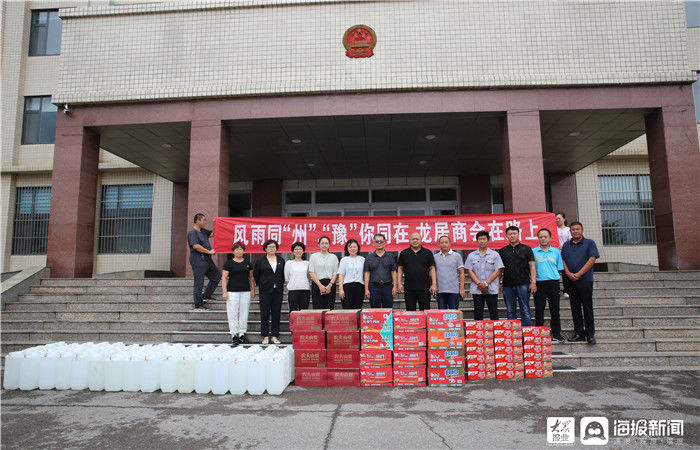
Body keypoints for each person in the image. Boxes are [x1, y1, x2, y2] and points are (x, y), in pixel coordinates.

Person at [561, 221, 599, 345]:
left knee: (587, 307)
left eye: (577, 229)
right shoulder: (566, 245)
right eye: (573, 230)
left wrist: (579, 273)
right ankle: (578, 333)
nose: (575, 231)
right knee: (575, 308)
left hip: (585, 280)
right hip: (570, 281)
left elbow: (592, 259)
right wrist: (568, 273)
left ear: (582, 230)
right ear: (570, 232)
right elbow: (563, 260)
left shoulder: (589, 243)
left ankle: (590, 334)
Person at [498, 226, 536, 326]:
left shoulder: (526, 249)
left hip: (523, 283)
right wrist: (498, 283)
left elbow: (532, 266)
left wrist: (533, 282)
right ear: (507, 236)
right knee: (510, 311)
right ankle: (513, 335)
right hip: (507, 285)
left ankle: (526, 334)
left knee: (525, 309)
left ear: (519, 234)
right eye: (510, 234)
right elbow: (500, 269)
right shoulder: (502, 251)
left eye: (514, 233)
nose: (512, 236)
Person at [533, 229, 565, 343]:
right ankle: (540, 334)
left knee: (555, 309)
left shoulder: (556, 252)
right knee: (539, 309)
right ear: (538, 238)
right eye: (541, 237)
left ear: (550, 238)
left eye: (545, 236)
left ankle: (557, 334)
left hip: (553, 283)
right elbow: (531, 269)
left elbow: (559, 268)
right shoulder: (533, 252)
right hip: (539, 283)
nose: (543, 239)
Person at [221, 241, 254, 346]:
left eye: (241, 249)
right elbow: (224, 278)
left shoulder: (248, 263)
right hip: (232, 291)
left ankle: (242, 334)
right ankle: (234, 335)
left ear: (244, 251)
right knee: (233, 313)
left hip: (245, 291)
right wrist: (224, 292)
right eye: (237, 249)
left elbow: (251, 277)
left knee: (244, 313)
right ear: (233, 251)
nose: (239, 251)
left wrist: (253, 290)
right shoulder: (229, 263)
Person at [465, 231, 504, 320]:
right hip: (477, 288)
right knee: (478, 312)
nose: (482, 241)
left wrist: (486, 283)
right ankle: (478, 332)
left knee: (493, 311)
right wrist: (479, 283)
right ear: (477, 241)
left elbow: (498, 270)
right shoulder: (472, 255)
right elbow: (469, 270)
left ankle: (495, 332)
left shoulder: (495, 254)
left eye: (484, 239)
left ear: (488, 240)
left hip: (492, 287)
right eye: (480, 239)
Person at [253, 239, 285, 345]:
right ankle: (265, 336)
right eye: (270, 247)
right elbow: (256, 275)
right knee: (265, 313)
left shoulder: (281, 260)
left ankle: (275, 335)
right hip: (265, 291)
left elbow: (283, 275)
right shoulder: (260, 261)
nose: (272, 249)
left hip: (278, 290)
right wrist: (262, 284)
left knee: (276, 313)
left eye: (274, 247)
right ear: (265, 248)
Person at [187, 213, 221, 311]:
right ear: (198, 221)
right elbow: (196, 246)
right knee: (199, 281)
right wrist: (209, 251)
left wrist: (216, 224)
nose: (205, 222)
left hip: (207, 259)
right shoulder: (192, 232)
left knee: (216, 276)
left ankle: (206, 296)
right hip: (198, 258)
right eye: (204, 220)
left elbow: (213, 234)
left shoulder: (203, 231)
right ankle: (198, 304)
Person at [398, 232, 437, 311]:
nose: (415, 241)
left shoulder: (428, 253)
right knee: (410, 312)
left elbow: (432, 268)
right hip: (409, 288)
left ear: (421, 240)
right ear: (410, 240)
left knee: (425, 312)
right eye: (413, 239)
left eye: (417, 239)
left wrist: (434, 284)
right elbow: (400, 268)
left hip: (425, 288)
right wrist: (399, 283)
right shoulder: (404, 253)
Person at [363, 233, 397, 308]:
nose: (379, 243)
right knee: (375, 310)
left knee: (388, 310)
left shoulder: (390, 256)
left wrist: (395, 286)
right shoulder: (369, 257)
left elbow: (393, 272)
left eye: (381, 241)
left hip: (387, 287)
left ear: (385, 243)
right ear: (373, 243)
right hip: (374, 287)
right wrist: (366, 289)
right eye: (377, 241)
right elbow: (367, 274)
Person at [434, 235, 466, 309]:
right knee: (442, 314)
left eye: (446, 242)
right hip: (440, 290)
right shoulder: (435, 257)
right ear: (439, 244)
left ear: (450, 243)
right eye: (442, 242)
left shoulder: (457, 256)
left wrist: (461, 289)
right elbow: (433, 273)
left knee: (454, 313)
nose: (444, 244)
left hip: (454, 290)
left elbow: (461, 273)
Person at [308, 236, 339, 310]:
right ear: (318, 245)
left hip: (330, 284)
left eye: (326, 243)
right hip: (317, 284)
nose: (324, 245)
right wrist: (320, 286)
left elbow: (336, 273)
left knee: (329, 308)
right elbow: (311, 271)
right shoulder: (313, 256)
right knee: (318, 309)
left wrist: (330, 285)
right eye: (322, 243)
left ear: (329, 245)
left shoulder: (333, 257)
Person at [338, 239, 366, 309]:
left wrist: (366, 288)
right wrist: (341, 289)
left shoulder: (362, 259)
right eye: (350, 247)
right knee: (347, 308)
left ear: (358, 248)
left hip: (360, 287)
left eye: (354, 247)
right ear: (347, 249)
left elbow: (365, 275)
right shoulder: (344, 260)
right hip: (347, 287)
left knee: (358, 308)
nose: (352, 249)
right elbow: (341, 275)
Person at [284, 242, 310, 311]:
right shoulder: (289, 263)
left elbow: (309, 276)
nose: (298, 251)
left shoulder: (307, 263)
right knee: (293, 312)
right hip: (293, 290)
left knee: (304, 312)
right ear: (292, 251)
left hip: (305, 290)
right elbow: (286, 278)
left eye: (300, 249)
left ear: (303, 251)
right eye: (296, 249)